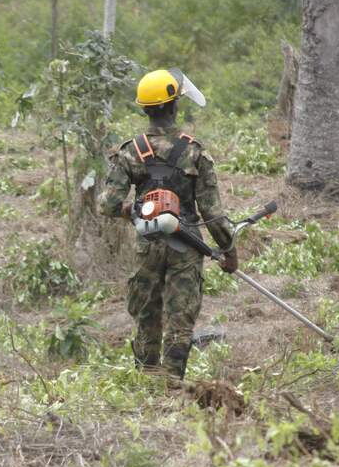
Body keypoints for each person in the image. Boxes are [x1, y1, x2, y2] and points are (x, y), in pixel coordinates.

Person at [98, 69, 238, 379]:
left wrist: (138, 211)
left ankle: (147, 377)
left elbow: (106, 203)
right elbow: (212, 214)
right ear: (174, 105)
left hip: (147, 243)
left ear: (145, 109)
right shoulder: (194, 151)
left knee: (147, 314)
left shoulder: (131, 151)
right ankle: (172, 383)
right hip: (186, 246)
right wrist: (229, 252)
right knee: (180, 319)